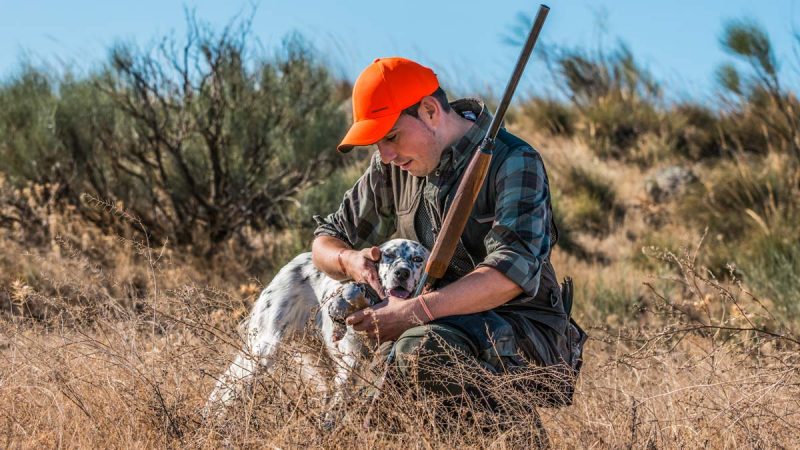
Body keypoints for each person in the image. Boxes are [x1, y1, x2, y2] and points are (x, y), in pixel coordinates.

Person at [312, 57, 584, 407]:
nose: (387, 154)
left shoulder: (514, 161)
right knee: (361, 414)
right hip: (429, 327)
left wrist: (412, 312)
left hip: (523, 335)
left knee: (419, 351)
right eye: (377, 143)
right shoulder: (390, 167)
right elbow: (325, 239)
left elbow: (511, 274)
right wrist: (351, 261)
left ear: (429, 111)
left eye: (392, 136)